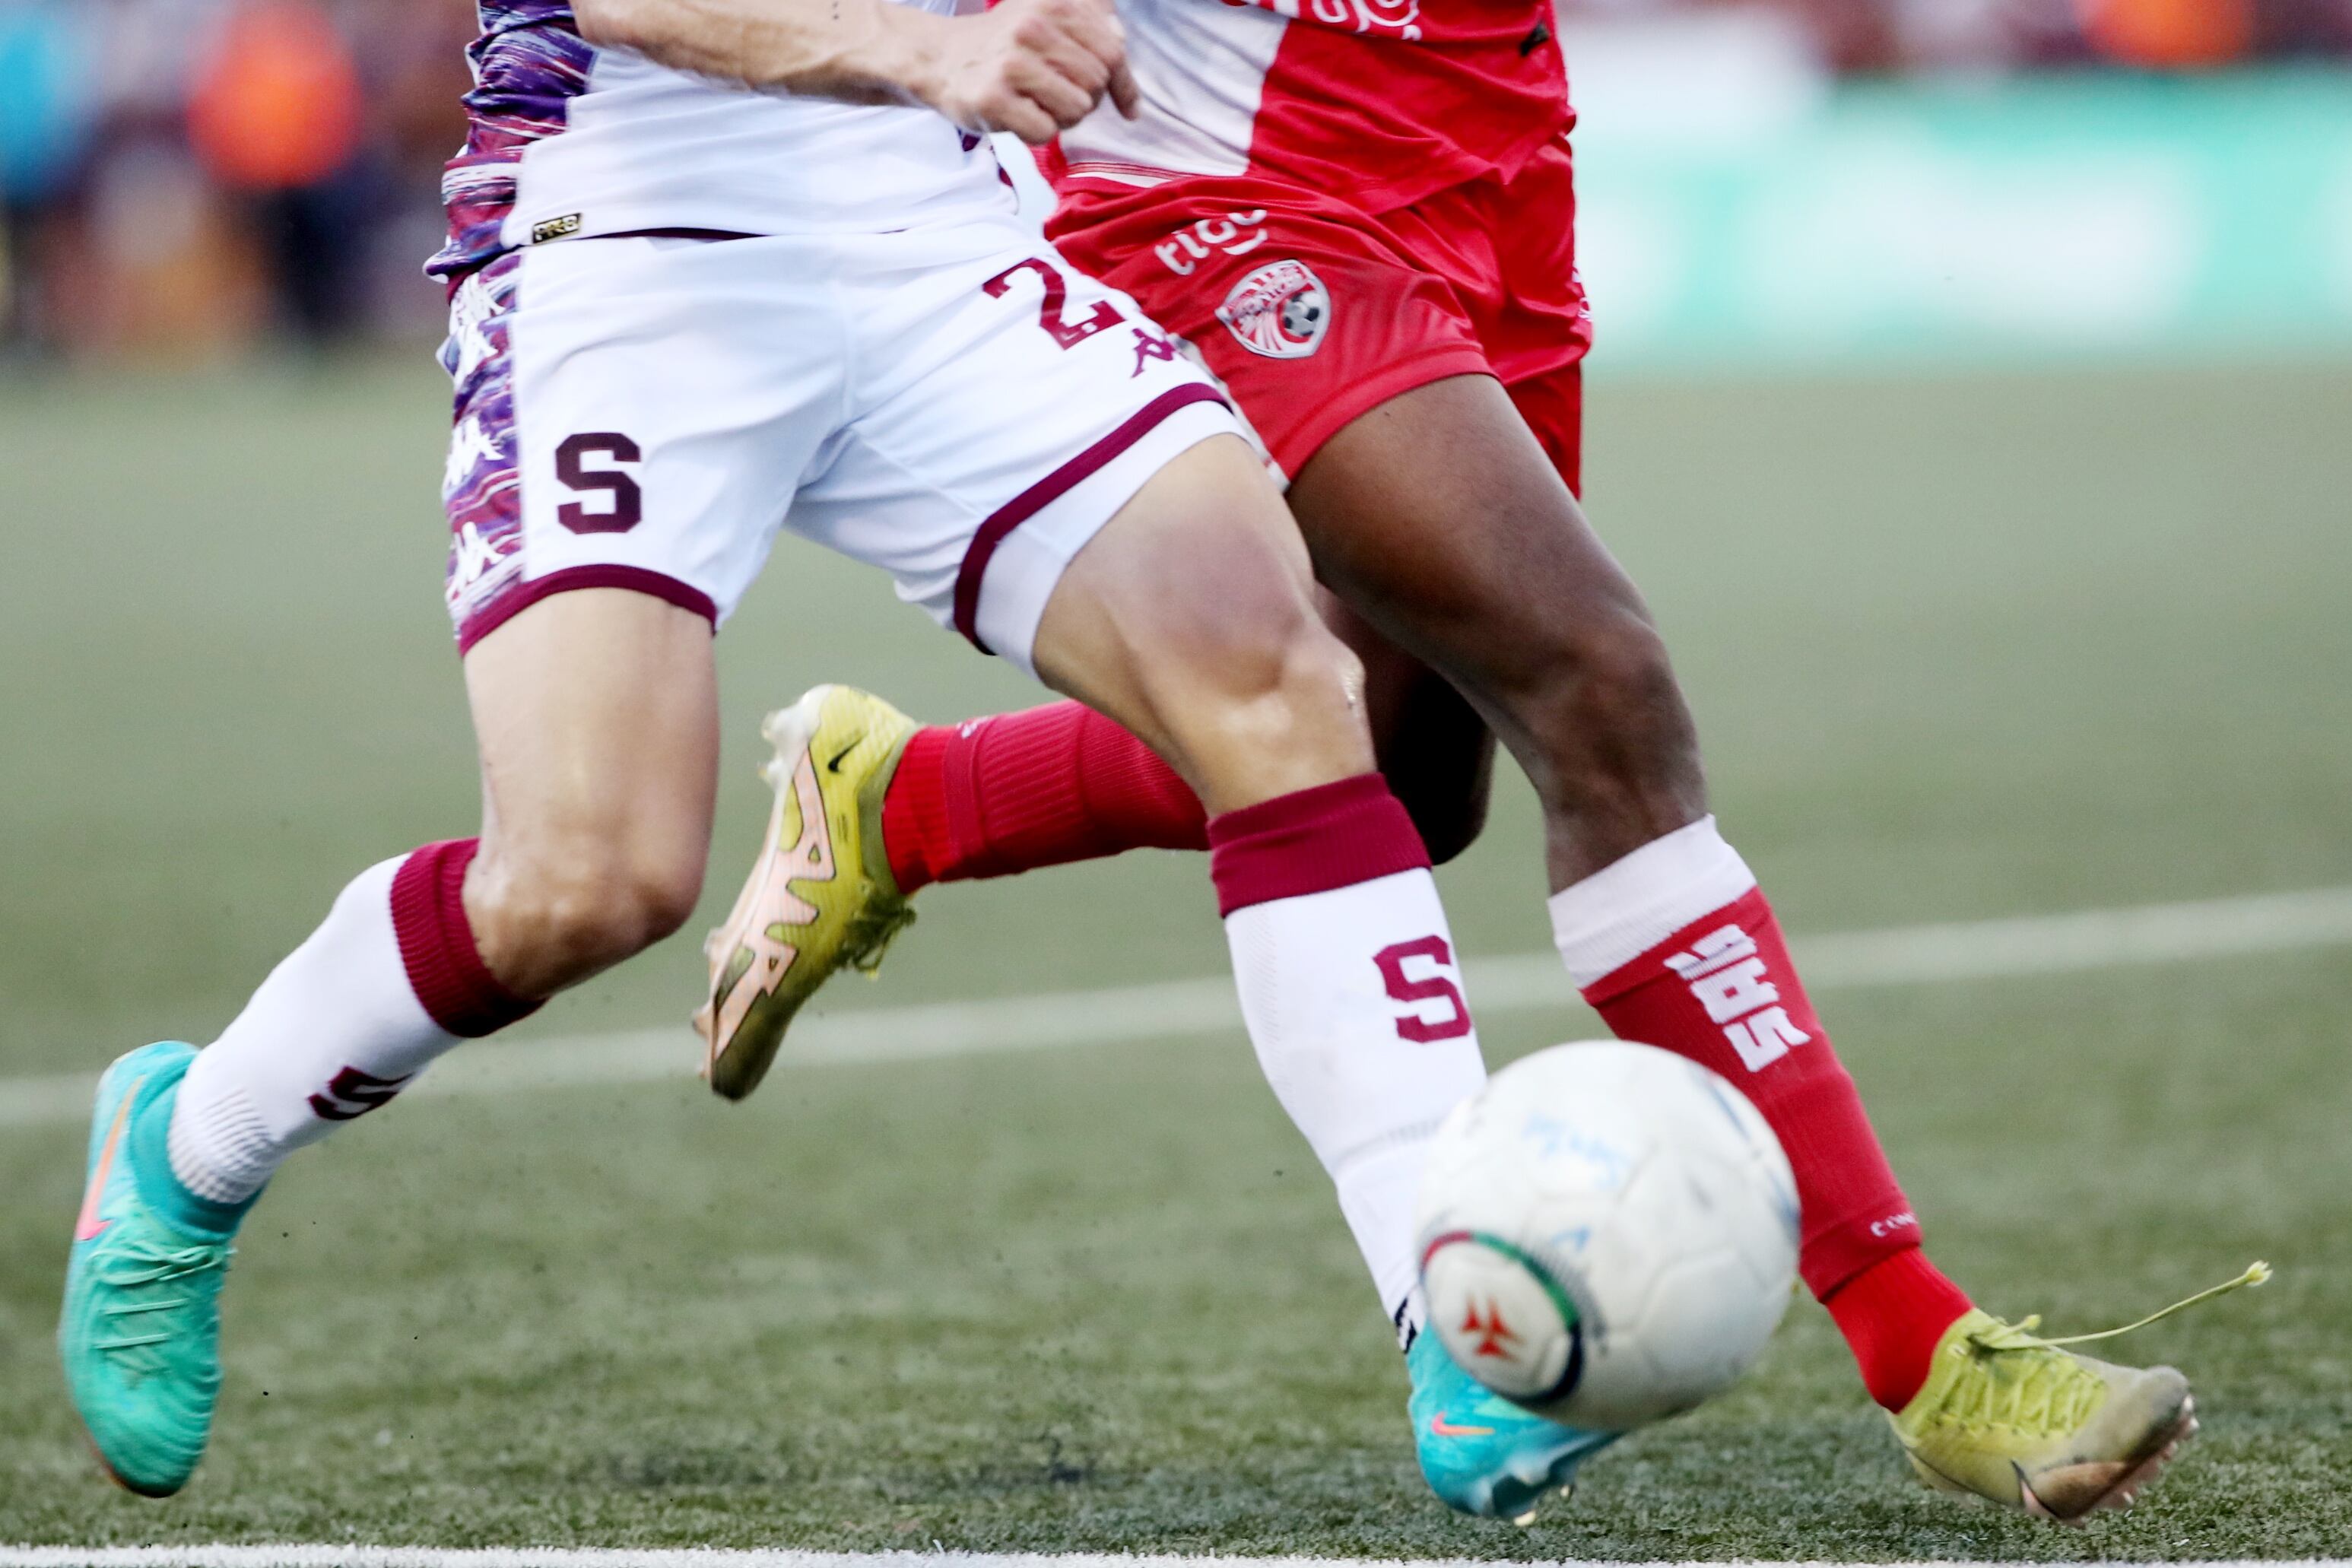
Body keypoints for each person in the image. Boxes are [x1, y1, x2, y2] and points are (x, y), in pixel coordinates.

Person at [55, 0, 1589, 1518]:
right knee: (590, 879)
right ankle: (192, 1145)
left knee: (1275, 676)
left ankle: (1450, 1305)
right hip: (630, 249)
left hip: (941, 234)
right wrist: (926, 48)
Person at [693, 0, 2205, 1523]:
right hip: (1221, 186)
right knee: (1593, 681)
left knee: (1409, 772)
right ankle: (1927, 1349)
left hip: (1485, 158)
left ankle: (907, 800)